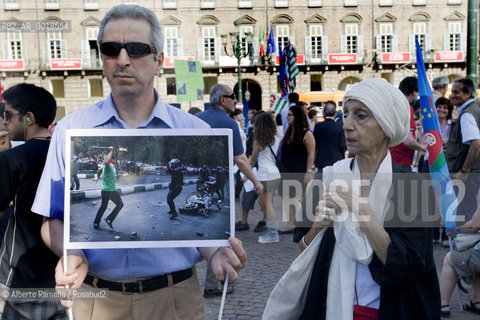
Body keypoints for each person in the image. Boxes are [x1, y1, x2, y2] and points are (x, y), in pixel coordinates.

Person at [32, 5, 246, 319]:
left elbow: (210, 237)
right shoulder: (69, 130)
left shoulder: (196, 130)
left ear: (159, 59)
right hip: (96, 298)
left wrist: (217, 253)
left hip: (175, 298)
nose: (122, 60)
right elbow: (51, 218)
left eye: (135, 49)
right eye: (109, 49)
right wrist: (71, 252)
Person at [265, 78, 441, 319]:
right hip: (331, 309)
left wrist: (360, 208)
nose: (347, 125)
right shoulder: (327, 178)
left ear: (386, 125)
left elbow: (407, 268)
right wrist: (318, 226)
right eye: (345, 113)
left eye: (360, 116)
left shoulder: (412, 187)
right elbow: (303, 248)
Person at [0, 84, 64, 318]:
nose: (4, 121)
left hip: (20, 277)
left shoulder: (12, 159)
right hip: (63, 275)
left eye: (8, 114)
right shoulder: (65, 154)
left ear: (29, 118)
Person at [197, 83, 262, 297]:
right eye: (232, 97)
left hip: (199, 180)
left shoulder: (198, 119)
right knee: (221, 232)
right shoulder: (229, 123)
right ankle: (214, 283)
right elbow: (240, 159)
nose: (235, 100)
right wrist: (256, 181)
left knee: (202, 228)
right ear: (222, 100)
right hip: (220, 183)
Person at [440, 77, 480, 316]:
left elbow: (475, 143)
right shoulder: (473, 110)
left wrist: (464, 172)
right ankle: (476, 300)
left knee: (463, 242)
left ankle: (443, 304)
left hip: (470, 182)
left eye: (456, 92)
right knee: (474, 243)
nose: (452, 95)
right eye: (451, 91)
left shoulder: (466, 114)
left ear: (468, 94)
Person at [278, 105, 315, 234]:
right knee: (286, 198)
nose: (287, 117)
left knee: (295, 199)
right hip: (286, 170)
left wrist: (308, 171)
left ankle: (305, 224)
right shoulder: (288, 131)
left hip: (299, 170)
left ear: (297, 116)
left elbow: (311, 154)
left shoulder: (307, 133)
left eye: (290, 114)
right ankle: (290, 224)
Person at [248, 112, 281, 243]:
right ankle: (270, 229)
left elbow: (252, 160)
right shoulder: (275, 138)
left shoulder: (259, 142)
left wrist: (246, 175)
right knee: (263, 203)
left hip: (265, 174)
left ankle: (273, 234)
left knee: (267, 205)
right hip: (274, 173)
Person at [389, 76, 427, 169]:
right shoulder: (407, 108)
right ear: (414, 92)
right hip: (401, 161)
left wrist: (414, 124)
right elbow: (408, 141)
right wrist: (425, 148)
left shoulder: (394, 105)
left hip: (390, 159)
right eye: (417, 93)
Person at [92, 147, 124, 229]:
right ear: (112, 160)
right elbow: (106, 161)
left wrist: (97, 177)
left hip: (105, 191)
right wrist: (111, 151)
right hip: (111, 191)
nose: (116, 162)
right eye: (115, 160)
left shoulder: (111, 167)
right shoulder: (108, 166)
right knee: (120, 204)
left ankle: (96, 222)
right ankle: (109, 219)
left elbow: (99, 170)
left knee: (103, 207)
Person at [313, 100, 346, 172]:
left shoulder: (318, 126)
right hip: (337, 162)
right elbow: (342, 145)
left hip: (321, 162)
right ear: (335, 114)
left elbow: (315, 145)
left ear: (324, 114)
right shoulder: (340, 127)